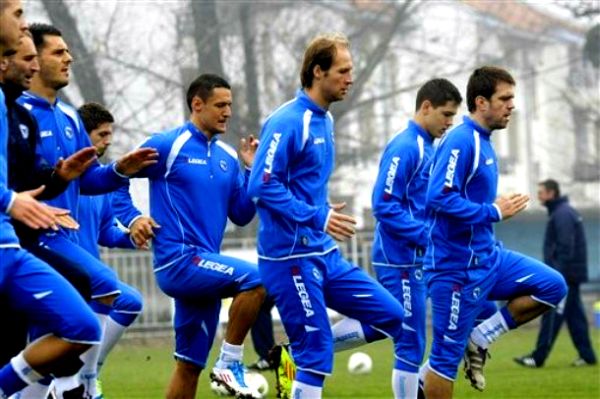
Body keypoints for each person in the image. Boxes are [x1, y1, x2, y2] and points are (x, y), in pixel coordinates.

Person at [247, 33, 407, 399]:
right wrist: (316, 216)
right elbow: (261, 186)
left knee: (392, 316)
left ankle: (293, 353)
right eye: (343, 71)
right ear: (318, 72)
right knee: (317, 357)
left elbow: (298, 184)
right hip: (290, 258)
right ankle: (305, 352)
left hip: (323, 254)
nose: (350, 78)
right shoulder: (289, 120)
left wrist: (321, 210)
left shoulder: (326, 121)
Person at [18, 22, 157, 399]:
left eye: (68, 51)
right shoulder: (15, 113)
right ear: (32, 58)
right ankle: (82, 384)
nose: (69, 58)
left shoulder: (68, 118)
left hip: (58, 242)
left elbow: (89, 180)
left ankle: (75, 384)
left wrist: (118, 170)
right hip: (32, 240)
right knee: (97, 310)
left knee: (50, 347)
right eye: (58, 52)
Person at [422, 66, 568, 399]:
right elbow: (438, 197)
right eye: (505, 98)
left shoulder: (485, 143)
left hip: (488, 258)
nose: (511, 106)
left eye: (512, 98)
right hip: (454, 268)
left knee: (552, 286)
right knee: (443, 362)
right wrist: (494, 211)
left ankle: (481, 338)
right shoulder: (461, 140)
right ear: (481, 102)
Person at [133, 73, 266, 399]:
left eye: (230, 105)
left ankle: (222, 364)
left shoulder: (227, 157)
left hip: (203, 266)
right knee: (257, 280)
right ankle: (230, 363)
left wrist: (249, 172)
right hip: (178, 261)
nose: (228, 112)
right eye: (220, 105)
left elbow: (242, 214)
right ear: (197, 104)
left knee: (189, 366)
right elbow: (117, 178)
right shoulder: (167, 144)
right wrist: (133, 218)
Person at [0, 1, 102, 397]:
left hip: (12, 244)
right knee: (118, 297)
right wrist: (11, 201)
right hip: (19, 236)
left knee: (83, 322)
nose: (22, 24)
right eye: (17, 13)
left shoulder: (17, 115)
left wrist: (58, 179)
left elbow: (29, 183)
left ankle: (70, 385)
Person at [77, 102, 152, 398]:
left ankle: (89, 373)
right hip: (60, 270)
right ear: (81, 135)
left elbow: (106, 231)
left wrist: (132, 236)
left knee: (130, 300)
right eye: (101, 134)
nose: (108, 141)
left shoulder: (104, 184)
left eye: (110, 134)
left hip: (90, 276)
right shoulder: (64, 177)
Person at [514, 179, 597, 368]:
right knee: (575, 317)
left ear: (552, 193)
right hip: (569, 275)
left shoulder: (562, 214)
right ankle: (588, 356)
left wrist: (556, 277)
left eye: (541, 192)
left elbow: (565, 247)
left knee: (551, 315)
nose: (538, 195)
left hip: (564, 277)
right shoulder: (562, 212)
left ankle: (538, 358)